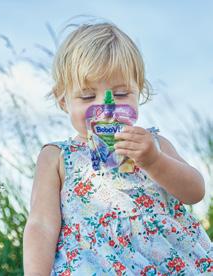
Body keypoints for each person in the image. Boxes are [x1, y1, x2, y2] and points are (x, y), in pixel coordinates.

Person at [23, 21, 213, 275]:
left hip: (166, 263)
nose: (106, 108)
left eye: (121, 93)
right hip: (94, 265)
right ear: (63, 101)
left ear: (139, 92)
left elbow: (195, 192)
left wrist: (154, 161)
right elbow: (41, 225)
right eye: (88, 97)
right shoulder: (56, 157)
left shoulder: (154, 144)